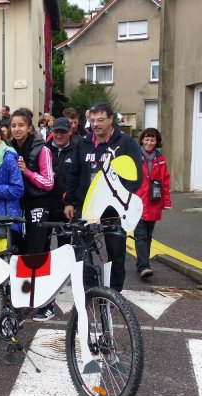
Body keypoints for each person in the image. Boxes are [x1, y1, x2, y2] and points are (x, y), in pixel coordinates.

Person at [64, 102, 143, 292]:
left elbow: (136, 178)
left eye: (100, 120)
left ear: (110, 119)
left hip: (113, 210)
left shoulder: (126, 143)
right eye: (92, 120)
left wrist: (120, 199)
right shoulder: (83, 142)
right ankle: (93, 291)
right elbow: (74, 173)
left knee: (116, 254)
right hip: (86, 206)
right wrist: (69, 202)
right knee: (81, 252)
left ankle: (115, 292)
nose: (95, 124)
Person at [10, 108, 55, 320]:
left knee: (38, 255)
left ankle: (47, 304)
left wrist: (27, 172)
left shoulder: (42, 149)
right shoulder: (8, 149)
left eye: (21, 125)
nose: (16, 129)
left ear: (30, 127)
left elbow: (49, 182)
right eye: (13, 125)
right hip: (17, 207)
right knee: (18, 253)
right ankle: (24, 299)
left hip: (38, 205)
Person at [134, 127, 171, 279]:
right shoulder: (135, 156)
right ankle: (144, 266)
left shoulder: (160, 158)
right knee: (140, 235)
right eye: (146, 139)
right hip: (138, 201)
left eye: (152, 139)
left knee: (148, 235)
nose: (149, 142)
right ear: (142, 140)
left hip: (154, 201)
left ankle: (141, 264)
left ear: (157, 142)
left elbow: (165, 181)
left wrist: (166, 201)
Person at [45, 117, 76, 249]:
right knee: (42, 246)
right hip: (46, 206)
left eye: (62, 132)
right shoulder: (44, 149)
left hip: (66, 207)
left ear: (70, 132)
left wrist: (71, 202)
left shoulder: (77, 150)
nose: (58, 135)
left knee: (64, 246)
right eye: (56, 132)